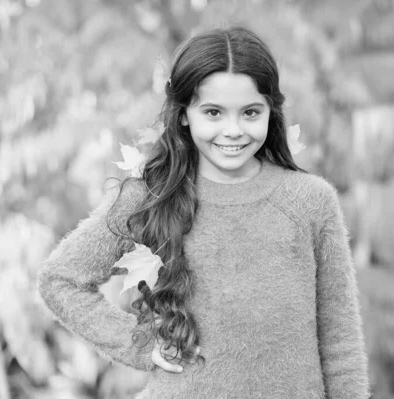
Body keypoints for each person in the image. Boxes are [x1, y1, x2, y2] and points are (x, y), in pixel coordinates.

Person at [38, 26, 369, 399]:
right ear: (184, 115)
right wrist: (137, 345)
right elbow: (60, 280)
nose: (232, 130)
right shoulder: (150, 197)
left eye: (250, 112)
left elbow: (340, 340)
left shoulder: (311, 201)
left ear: (270, 113)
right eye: (213, 112)